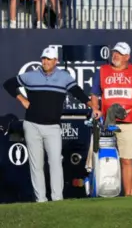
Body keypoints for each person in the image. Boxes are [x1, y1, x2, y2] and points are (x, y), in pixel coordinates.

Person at [2, 47, 94, 202]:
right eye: (44, 59)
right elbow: (9, 84)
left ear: (55, 61)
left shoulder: (63, 77)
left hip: (52, 127)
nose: (45, 62)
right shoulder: (31, 76)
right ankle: (41, 200)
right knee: (36, 165)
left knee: (55, 163)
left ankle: (57, 199)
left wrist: (93, 105)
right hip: (32, 125)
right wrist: (22, 99)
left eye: (49, 59)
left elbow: (77, 92)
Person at [90, 42, 132, 197]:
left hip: (128, 123)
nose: (115, 55)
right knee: (102, 158)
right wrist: (96, 109)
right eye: (114, 52)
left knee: (127, 161)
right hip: (106, 124)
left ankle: (128, 196)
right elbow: (95, 94)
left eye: (120, 53)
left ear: (127, 57)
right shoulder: (103, 70)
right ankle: (102, 192)